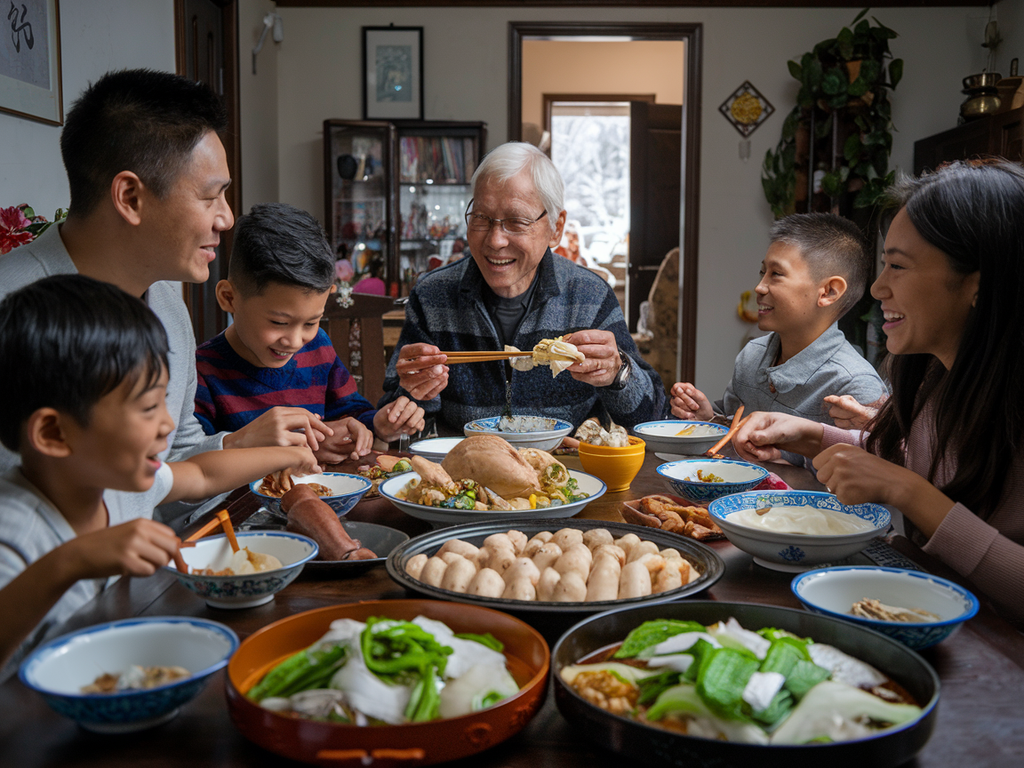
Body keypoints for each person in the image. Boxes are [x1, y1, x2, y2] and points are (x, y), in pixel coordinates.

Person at [0, 69, 331, 508]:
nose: (227, 219)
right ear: (131, 197)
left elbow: (172, 464)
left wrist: (241, 445)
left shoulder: (166, 306)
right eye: (211, 196)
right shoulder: (13, 308)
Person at [732, 160, 1024, 628]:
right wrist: (814, 436)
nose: (880, 286)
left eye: (898, 266)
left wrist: (912, 494)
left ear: (978, 283)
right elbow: (918, 461)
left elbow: (914, 484)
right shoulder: (936, 380)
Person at [0, 275, 320, 676]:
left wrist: (283, 455)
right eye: (149, 407)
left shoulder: (111, 484)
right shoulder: (13, 533)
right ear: (53, 433)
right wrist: (69, 562)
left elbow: (200, 475)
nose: (168, 425)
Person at [380, 142, 666, 432]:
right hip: (467, 470)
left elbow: (653, 417)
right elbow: (396, 420)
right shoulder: (432, 295)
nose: (495, 241)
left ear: (556, 227)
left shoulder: (589, 297)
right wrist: (413, 393)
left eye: (516, 221)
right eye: (481, 218)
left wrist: (618, 373)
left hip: (567, 471)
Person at [195, 203, 424, 462]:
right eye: (279, 323)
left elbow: (350, 413)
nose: (294, 341)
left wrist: (377, 425)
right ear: (228, 298)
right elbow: (196, 465)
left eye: (311, 322)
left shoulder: (318, 348)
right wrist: (296, 452)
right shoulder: (202, 371)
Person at [670, 213, 887, 430]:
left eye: (776, 274)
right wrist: (709, 419)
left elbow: (858, 461)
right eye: (763, 272)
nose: (759, 287)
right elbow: (732, 427)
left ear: (828, 292)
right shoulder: (752, 355)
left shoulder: (855, 385)